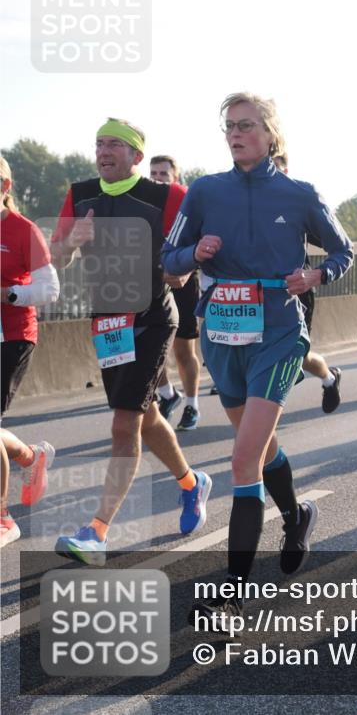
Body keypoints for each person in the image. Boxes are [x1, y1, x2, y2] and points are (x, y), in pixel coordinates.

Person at [162, 93, 353, 629]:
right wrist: (194, 254)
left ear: (270, 134)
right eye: (229, 127)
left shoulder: (299, 194)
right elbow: (168, 259)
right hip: (222, 333)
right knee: (261, 447)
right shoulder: (205, 191)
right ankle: (296, 515)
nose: (235, 134)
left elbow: (344, 251)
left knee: (243, 459)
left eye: (246, 126)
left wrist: (316, 275)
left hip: (278, 332)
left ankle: (232, 597)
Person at [49, 119, 212, 565]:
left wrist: (183, 267)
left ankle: (96, 533)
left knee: (124, 423)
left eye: (114, 145)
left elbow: (195, 246)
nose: (103, 151)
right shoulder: (80, 194)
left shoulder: (166, 196)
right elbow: (56, 258)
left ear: (136, 156)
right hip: (107, 321)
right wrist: (72, 241)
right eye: (99, 143)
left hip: (152, 317)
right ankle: (191, 484)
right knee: (145, 415)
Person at [0, 155, 59, 546]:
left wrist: (9, 294)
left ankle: (4, 520)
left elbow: (50, 290)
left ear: (5, 187)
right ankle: (29, 456)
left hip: (13, 336)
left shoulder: (23, 230)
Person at [273, 154, 343, 414]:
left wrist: (317, 274)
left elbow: (336, 245)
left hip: (295, 290)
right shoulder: (237, 201)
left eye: (273, 168)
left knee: (298, 355)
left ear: (285, 171)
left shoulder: (297, 202)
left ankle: (329, 378)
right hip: (252, 294)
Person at [148, 155, 202, 430]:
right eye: (153, 173)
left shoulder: (184, 200)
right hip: (152, 282)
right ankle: (168, 394)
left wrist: (187, 269)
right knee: (149, 347)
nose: (157, 179)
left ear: (175, 178)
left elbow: (201, 239)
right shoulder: (142, 200)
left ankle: (192, 405)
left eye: (163, 174)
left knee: (182, 350)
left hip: (182, 280)